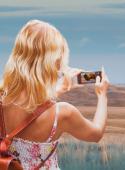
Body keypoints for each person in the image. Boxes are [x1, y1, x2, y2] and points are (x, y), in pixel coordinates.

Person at [0, 20, 109, 169]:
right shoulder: (63, 113)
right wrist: (102, 95)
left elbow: (31, 108)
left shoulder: (2, 99)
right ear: (52, 62)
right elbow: (96, 134)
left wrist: (58, 89)